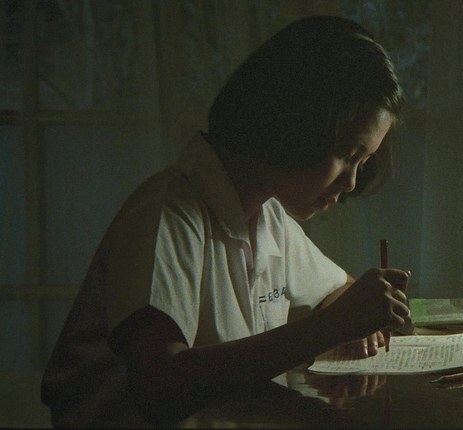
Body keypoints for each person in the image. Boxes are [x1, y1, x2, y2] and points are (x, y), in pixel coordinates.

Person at [41, 15, 411, 427]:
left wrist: (358, 314)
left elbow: (337, 292)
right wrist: (332, 327)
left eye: (363, 162)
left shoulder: (269, 219)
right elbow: (160, 386)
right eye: (346, 154)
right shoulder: (167, 215)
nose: (351, 182)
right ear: (294, 123)